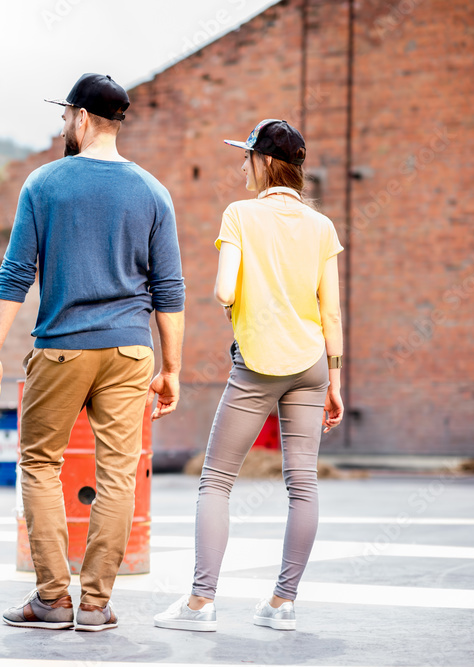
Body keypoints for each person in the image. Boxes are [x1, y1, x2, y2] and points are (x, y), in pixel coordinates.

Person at [0, 73, 186, 632]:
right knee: (118, 476)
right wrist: (173, 369)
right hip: (132, 351)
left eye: (66, 116)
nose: (64, 125)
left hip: (63, 349)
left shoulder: (44, 184)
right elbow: (170, 291)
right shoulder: (154, 192)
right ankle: (94, 606)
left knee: (40, 463)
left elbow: (16, 273)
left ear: (82, 118)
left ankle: (51, 598)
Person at [153, 119, 345, 633]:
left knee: (216, 480)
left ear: (263, 162)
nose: (242, 165)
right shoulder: (322, 226)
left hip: (258, 363)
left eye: (246, 157)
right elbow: (332, 313)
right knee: (302, 486)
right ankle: (283, 604)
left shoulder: (239, 214)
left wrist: (242, 296)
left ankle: (200, 604)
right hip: (310, 366)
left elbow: (221, 291)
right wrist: (336, 381)